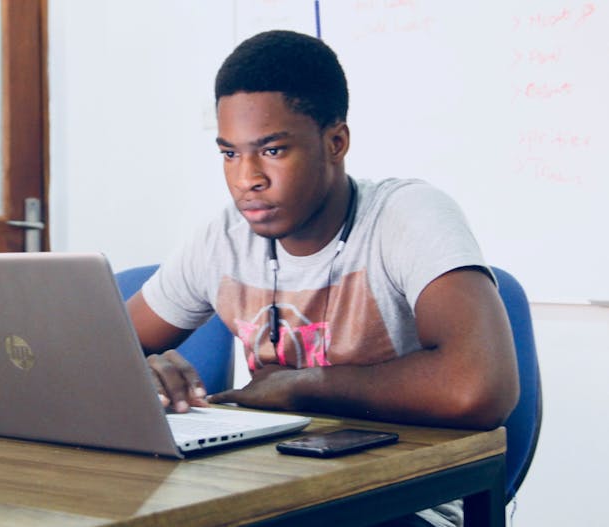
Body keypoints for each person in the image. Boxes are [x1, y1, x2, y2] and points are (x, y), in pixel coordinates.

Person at [126, 30, 519, 527]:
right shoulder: (222, 237)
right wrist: (137, 375)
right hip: (271, 490)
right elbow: (98, 349)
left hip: (407, 498)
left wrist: (302, 386)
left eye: (271, 151)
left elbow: (479, 388)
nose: (247, 178)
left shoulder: (408, 216)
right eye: (229, 154)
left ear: (336, 143)